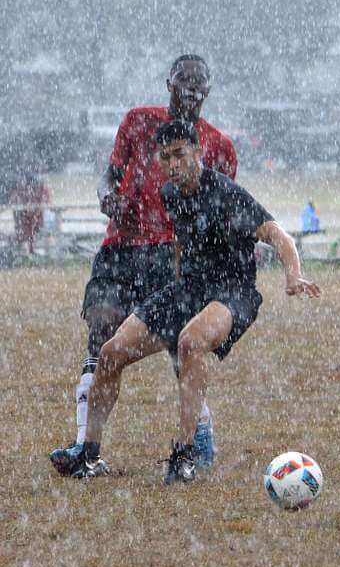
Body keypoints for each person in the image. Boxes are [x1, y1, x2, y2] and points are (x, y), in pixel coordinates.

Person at [65, 120, 320, 482]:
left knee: (190, 341)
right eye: (166, 157)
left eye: (180, 154)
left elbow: (278, 235)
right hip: (189, 288)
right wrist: (172, 291)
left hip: (233, 292)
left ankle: (182, 455)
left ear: (198, 153)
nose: (173, 164)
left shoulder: (225, 192)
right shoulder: (170, 193)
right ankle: (88, 456)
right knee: (110, 352)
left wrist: (293, 275)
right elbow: (184, 245)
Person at [49, 54, 236, 474]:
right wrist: (107, 196)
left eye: (199, 88)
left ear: (207, 93)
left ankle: (199, 441)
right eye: (183, 85)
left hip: (170, 255)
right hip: (122, 247)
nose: (191, 94)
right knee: (100, 332)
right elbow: (109, 176)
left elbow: (223, 208)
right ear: (168, 84)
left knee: (180, 347)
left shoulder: (219, 145)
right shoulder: (138, 121)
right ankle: (85, 449)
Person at [9, 170, 51, 255]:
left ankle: (25, 248)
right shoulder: (22, 190)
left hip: (36, 219)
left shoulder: (41, 190)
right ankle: (23, 248)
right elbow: (14, 201)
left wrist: (35, 211)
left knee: (30, 228)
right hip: (26, 219)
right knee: (26, 228)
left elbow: (45, 202)